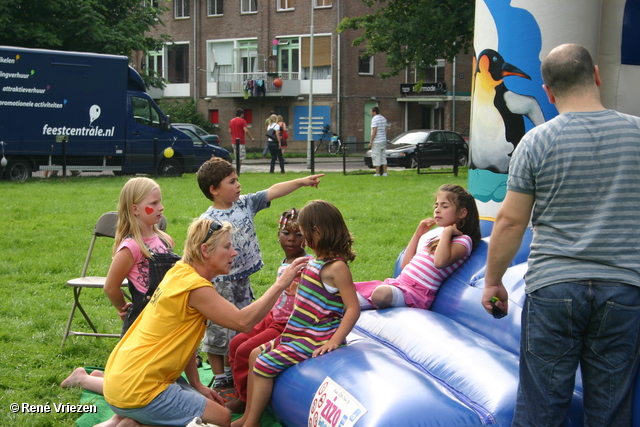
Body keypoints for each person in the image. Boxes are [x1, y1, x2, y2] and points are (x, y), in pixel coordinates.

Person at [482, 43, 640, 427]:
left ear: (549, 93)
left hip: (553, 290)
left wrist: (493, 282)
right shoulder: (637, 134)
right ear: (597, 76)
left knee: (541, 410)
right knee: (609, 412)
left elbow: (509, 223)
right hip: (623, 289)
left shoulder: (536, 143)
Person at [99, 218, 310, 427]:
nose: (233, 253)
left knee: (209, 408)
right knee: (222, 418)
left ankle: (132, 421)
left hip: (121, 379)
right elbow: (243, 322)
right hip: (138, 389)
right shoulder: (195, 288)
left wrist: (196, 383)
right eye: (227, 247)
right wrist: (282, 283)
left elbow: (185, 340)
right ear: (205, 250)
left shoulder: (179, 271)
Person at [196, 157, 323, 395]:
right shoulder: (208, 220)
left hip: (242, 279)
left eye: (237, 180)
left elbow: (273, 191)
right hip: (219, 282)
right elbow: (199, 252)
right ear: (214, 190)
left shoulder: (244, 204)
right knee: (218, 329)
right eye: (231, 182)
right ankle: (220, 378)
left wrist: (302, 181)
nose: (238, 185)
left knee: (243, 325)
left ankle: (233, 372)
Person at [231, 200, 361, 427]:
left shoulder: (337, 267)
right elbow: (314, 294)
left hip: (315, 336)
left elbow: (353, 308)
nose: (301, 239)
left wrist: (334, 340)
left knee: (263, 365)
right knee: (253, 355)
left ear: (317, 231)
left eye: (304, 232)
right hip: (297, 331)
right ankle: (248, 416)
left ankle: (251, 423)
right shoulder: (315, 261)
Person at [225, 208, 309, 414]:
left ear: (307, 238)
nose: (291, 240)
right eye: (285, 233)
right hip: (272, 315)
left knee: (246, 351)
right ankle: (240, 392)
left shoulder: (306, 263)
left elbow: (312, 296)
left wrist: (300, 290)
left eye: (298, 235)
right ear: (278, 235)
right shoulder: (288, 261)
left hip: (286, 324)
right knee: (235, 343)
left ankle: (247, 402)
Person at [355, 184, 480, 310]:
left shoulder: (464, 240)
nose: (437, 210)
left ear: (462, 213)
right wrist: (418, 234)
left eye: (445, 206)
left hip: (416, 294)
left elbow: (440, 262)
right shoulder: (436, 237)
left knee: (381, 294)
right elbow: (405, 265)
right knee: (346, 297)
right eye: (436, 205)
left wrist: (447, 232)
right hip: (399, 284)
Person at [369, 106, 388, 177]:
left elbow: (374, 130)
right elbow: (386, 129)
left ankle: (377, 173)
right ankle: (385, 172)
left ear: (374, 112)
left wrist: (371, 141)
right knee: (383, 156)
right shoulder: (383, 118)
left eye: (371, 111)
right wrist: (385, 137)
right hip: (383, 140)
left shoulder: (375, 119)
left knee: (376, 156)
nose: (370, 113)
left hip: (377, 140)